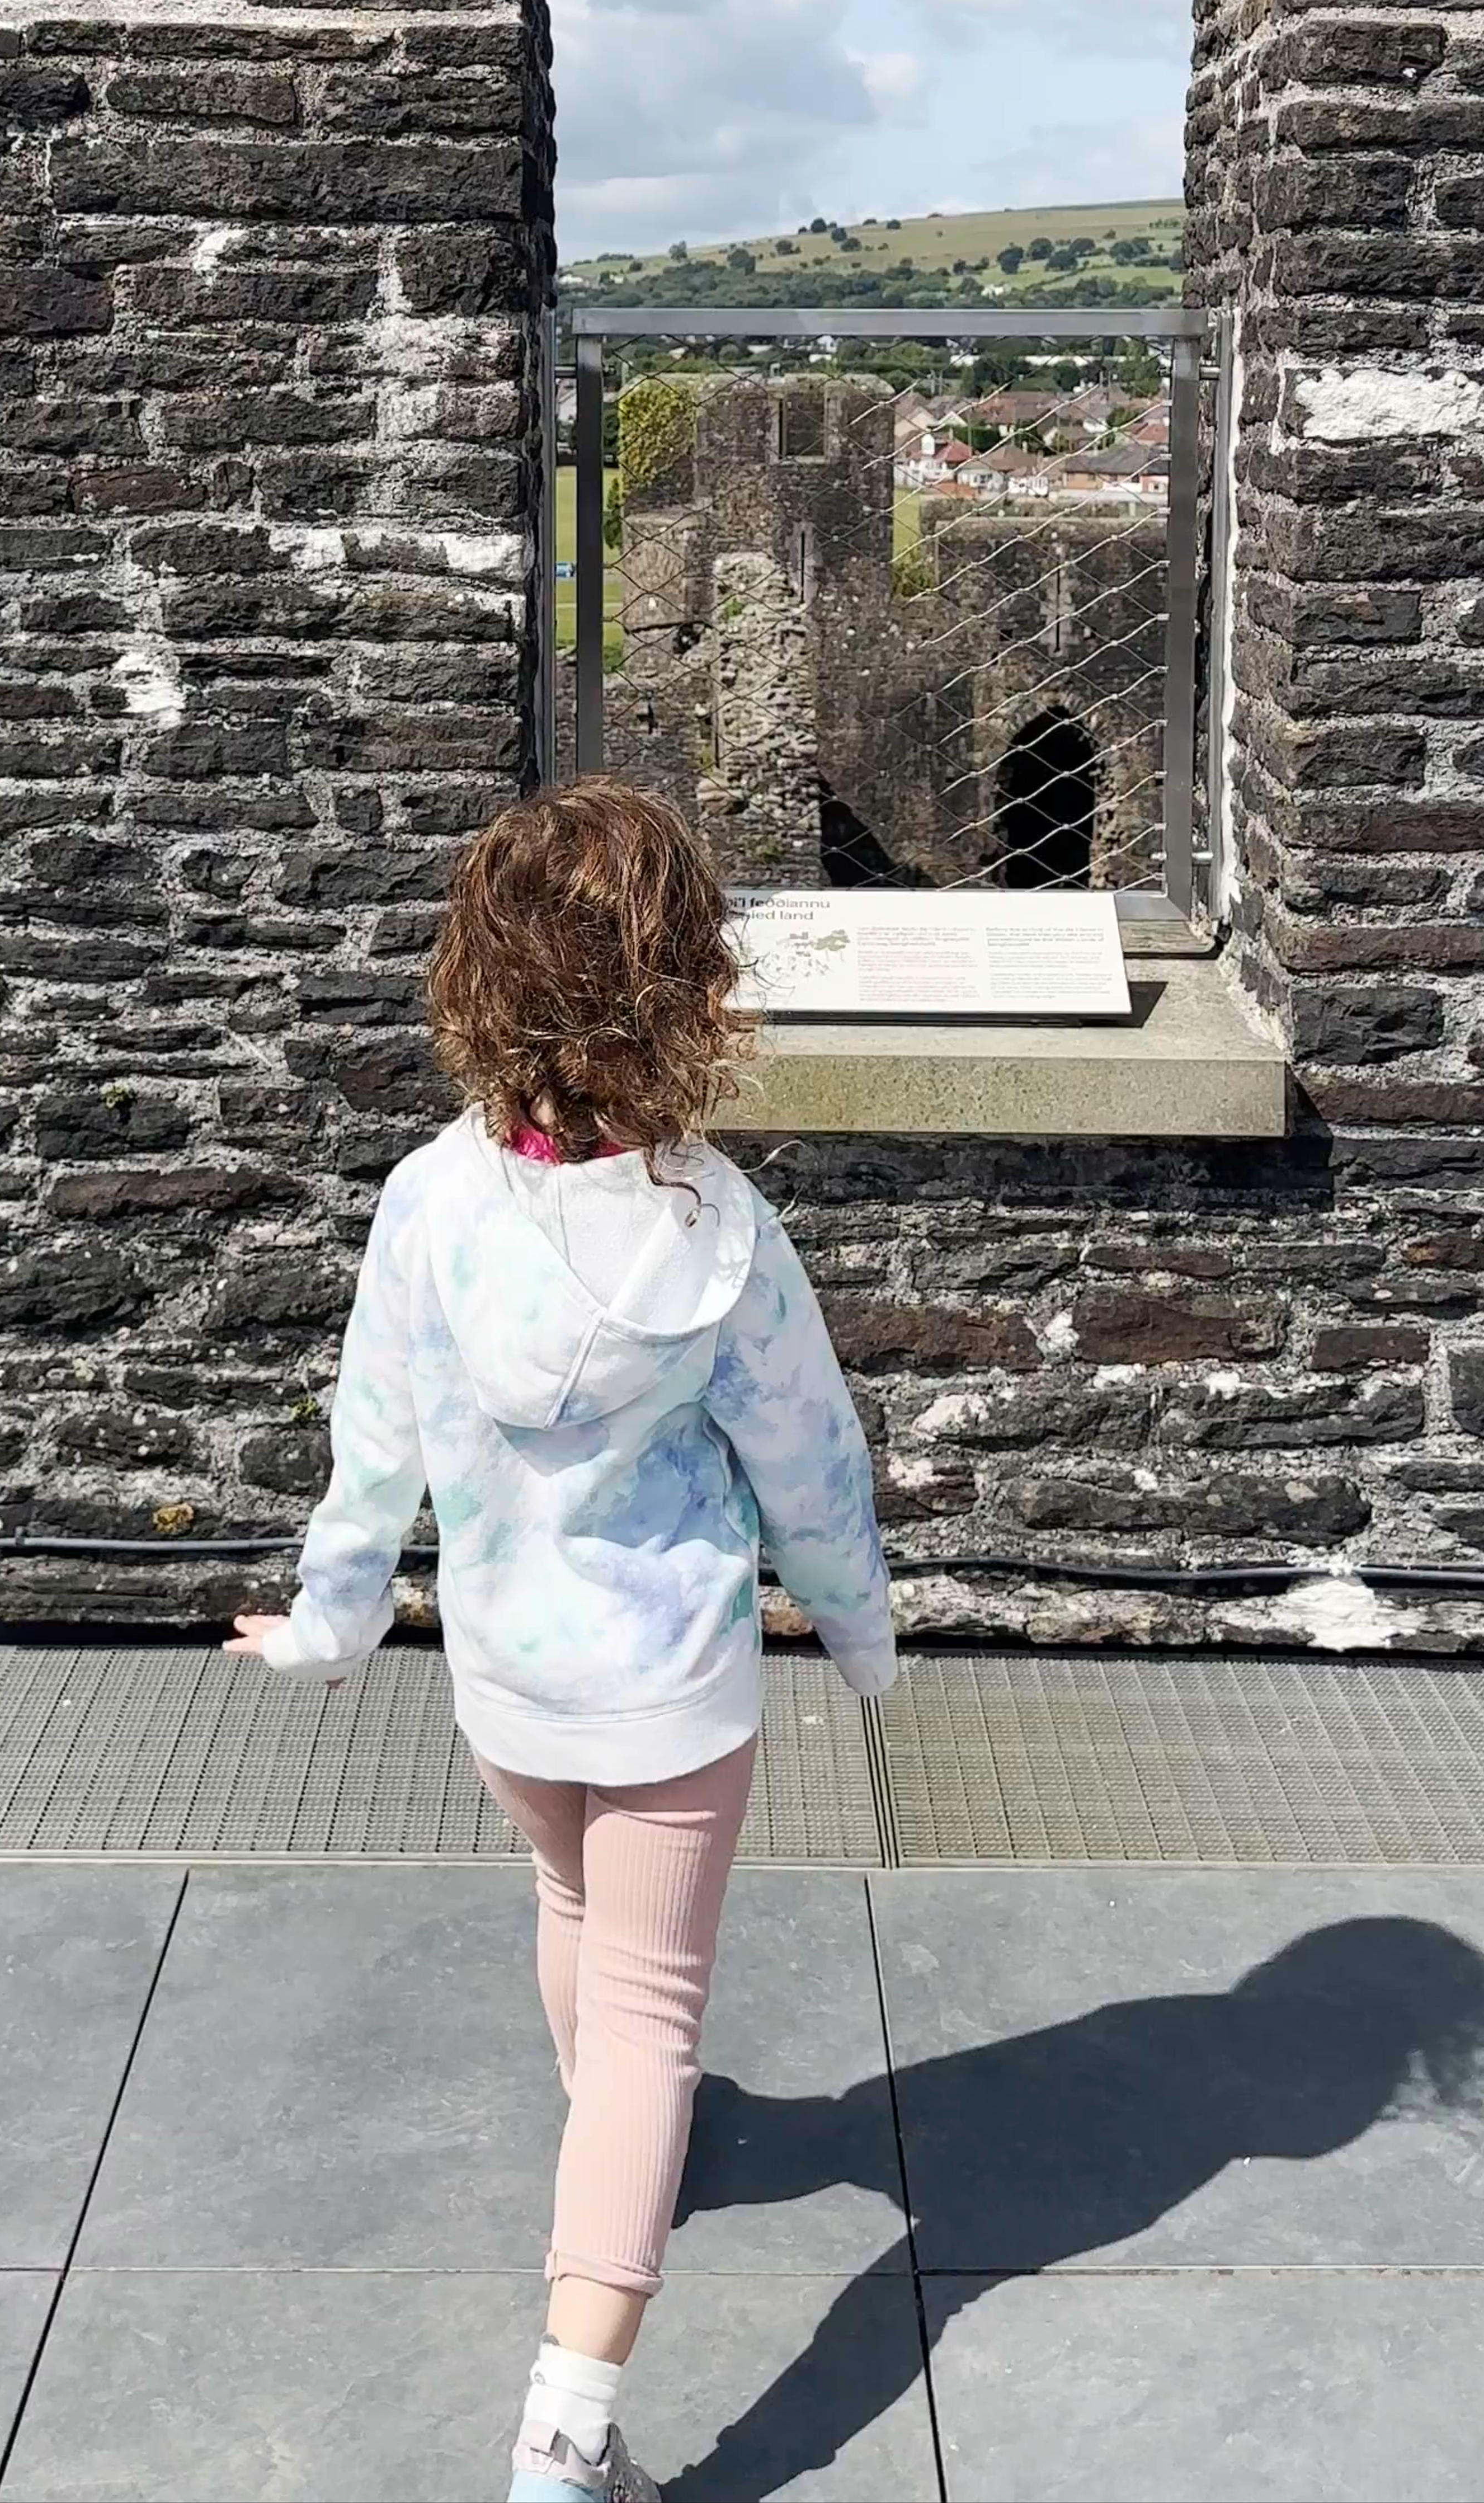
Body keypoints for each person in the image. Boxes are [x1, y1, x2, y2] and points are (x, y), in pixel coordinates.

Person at [227, 775, 898, 2502]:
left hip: (510, 1678)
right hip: (673, 1683)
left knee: (573, 1914)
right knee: (656, 2018)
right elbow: (811, 1460)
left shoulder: (434, 1207)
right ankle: (565, 2439)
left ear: (483, 979)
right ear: (682, 989)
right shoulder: (721, 1230)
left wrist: (331, 1619)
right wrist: (860, 1629)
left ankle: (620, 2153)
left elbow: (370, 1443)